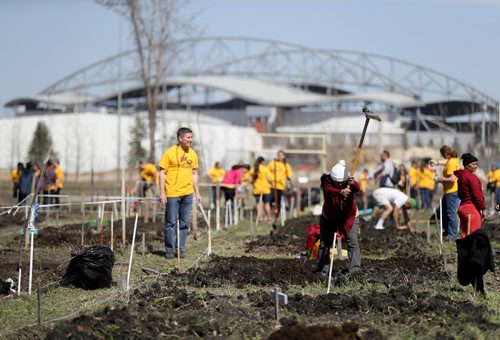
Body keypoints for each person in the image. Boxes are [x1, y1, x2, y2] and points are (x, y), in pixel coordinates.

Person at [158, 127, 202, 259]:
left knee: (184, 223)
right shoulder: (169, 153)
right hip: (172, 193)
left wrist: (197, 193)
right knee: (170, 222)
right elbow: (162, 173)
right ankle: (170, 250)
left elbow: (194, 174)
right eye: (188, 137)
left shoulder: (193, 154)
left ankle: (180, 249)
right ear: (180, 138)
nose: (190, 140)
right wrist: (162, 193)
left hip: (188, 193)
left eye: (191, 137)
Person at [315, 160, 361, 275]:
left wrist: (353, 182)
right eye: (337, 183)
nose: (340, 185)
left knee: (353, 243)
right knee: (324, 244)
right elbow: (328, 190)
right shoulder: (327, 182)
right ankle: (323, 269)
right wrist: (341, 192)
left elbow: (358, 188)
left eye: (342, 183)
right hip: (329, 217)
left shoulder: (349, 184)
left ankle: (354, 270)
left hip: (349, 217)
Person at [454, 153, 486, 238]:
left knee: (466, 236)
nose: (476, 166)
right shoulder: (471, 177)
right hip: (471, 210)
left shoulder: (461, 177)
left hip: (462, 208)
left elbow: (460, 194)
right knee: (475, 237)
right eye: (473, 164)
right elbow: (477, 195)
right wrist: (483, 208)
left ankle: (465, 251)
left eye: (476, 164)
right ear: (467, 165)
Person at [439, 146, 461, 240]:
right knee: (444, 211)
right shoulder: (454, 159)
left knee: (451, 213)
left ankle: (453, 235)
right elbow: (445, 162)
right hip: (450, 191)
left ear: (445, 154)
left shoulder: (451, 163)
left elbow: (452, 179)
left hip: (451, 191)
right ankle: (447, 231)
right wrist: (436, 163)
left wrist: (439, 179)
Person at [268, 150, 294, 222]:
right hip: (272, 186)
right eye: (279, 155)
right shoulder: (272, 163)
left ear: (284, 156)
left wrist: (289, 177)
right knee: (269, 201)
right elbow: (267, 172)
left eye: (281, 155)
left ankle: (276, 217)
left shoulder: (286, 165)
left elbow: (290, 175)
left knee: (278, 202)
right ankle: (269, 216)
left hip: (280, 186)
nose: (280, 156)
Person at [248, 156, 272, 223]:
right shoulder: (265, 169)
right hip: (266, 189)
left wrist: (253, 182)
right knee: (266, 204)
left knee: (259, 203)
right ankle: (269, 218)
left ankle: (260, 218)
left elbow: (249, 178)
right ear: (262, 162)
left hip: (257, 189)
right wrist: (272, 183)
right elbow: (270, 179)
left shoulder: (254, 169)